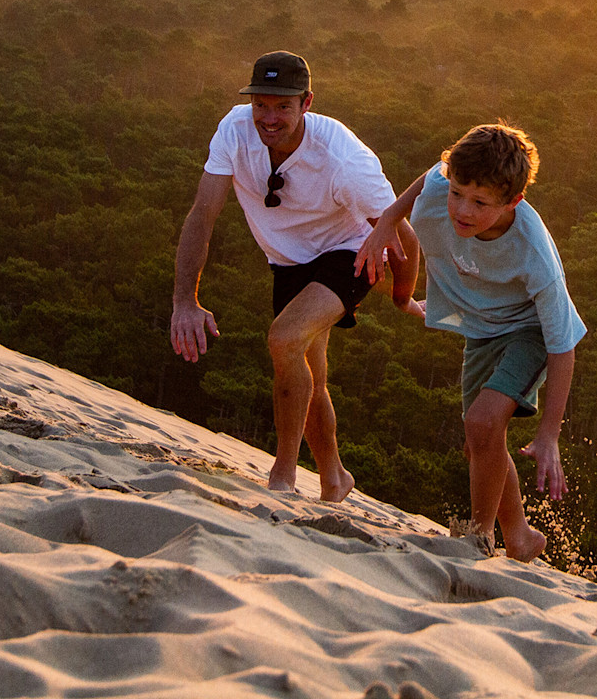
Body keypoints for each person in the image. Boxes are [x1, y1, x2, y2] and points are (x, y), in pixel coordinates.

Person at [170, 50, 416, 502]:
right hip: (288, 263)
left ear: (307, 103)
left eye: (283, 106)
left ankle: (283, 476)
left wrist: (402, 299)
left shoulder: (343, 159)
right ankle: (334, 478)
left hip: (351, 251)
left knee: (284, 338)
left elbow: (406, 238)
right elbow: (202, 213)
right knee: (308, 376)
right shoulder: (233, 130)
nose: (269, 117)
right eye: (260, 104)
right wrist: (185, 299)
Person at [356, 122, 583, 562]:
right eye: (457, 193)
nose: (462, 209)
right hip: (481, 329)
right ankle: (519, 536)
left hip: (529, 332)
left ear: (512, 201)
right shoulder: (444, 182)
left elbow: (563, 345)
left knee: (482, 424)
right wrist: (389, 219)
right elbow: (431, 176)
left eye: (480, 203)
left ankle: (477, 538)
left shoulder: (533, 252)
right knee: (478, 442)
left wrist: (549, 433)